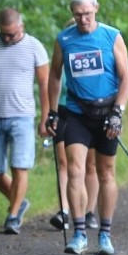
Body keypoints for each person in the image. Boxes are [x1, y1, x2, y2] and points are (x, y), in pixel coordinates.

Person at [46, 0, 128, 255]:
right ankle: (79, 233)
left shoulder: (111, 36)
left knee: (106, 172)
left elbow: (126, 77)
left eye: (86, 13)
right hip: (76, 113)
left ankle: (105, 233)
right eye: (77, 14)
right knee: (75, 170)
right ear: (72, 13)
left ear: (96, 8)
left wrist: (119, 111)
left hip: (107, 112)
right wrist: (51, 111)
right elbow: (55, 76)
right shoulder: (64, 39)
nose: (83, 19)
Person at [0, 8, 50, 234]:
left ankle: (13, 214)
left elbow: (46, 84)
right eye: (4, 34)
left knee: (19, 167)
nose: (7, 39)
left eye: (12, 34)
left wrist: (46, 117)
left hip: (23, 117)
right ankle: (20, 202)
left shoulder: (35, 47)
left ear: (22, 28)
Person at [49, 72, 100, 231]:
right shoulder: (63, 52)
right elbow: (52, 81)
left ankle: (89, 212)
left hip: (88, 111)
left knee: (90, 165)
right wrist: (50, 112)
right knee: (64, 163)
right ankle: (64, 211)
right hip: (63, 111)